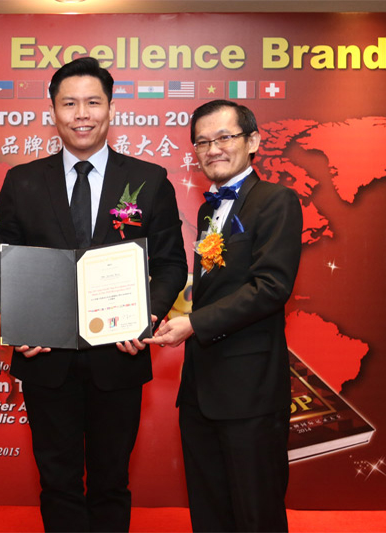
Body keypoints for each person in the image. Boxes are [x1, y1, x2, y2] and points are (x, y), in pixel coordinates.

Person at [0, 57, 187, 532]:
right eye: (70, 103)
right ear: (53, 112)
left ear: (111, 109)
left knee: (110, 481)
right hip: (45, 358)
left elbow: (171, 265)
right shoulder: (22, 180)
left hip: (118, 356)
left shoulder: (149, 180)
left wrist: (144, 317)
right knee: (57, 481)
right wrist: (20, 323)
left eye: (93, 103)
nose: (82, 114)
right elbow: (3, 265)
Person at [146, 100, 302, 532]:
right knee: (210, 510)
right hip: (202, 389)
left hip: (250, 390)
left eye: (224, 138)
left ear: (252, 141)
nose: (212, 149)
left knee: (255, 512)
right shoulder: (207, 210)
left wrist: (194, 324)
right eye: (202, 142)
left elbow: (271, 287)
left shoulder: (276, 201)